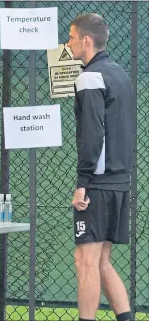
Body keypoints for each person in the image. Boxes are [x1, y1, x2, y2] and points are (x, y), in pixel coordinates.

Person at [67, 13, 134, 321]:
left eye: (70, 37)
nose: (67, 43)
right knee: (102, 261)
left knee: (85, 260)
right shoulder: (120, 73)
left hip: (98, 182)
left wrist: (82, 181)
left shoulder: (89, 77)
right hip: (119, 181)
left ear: (86, 40)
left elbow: (93, 133)